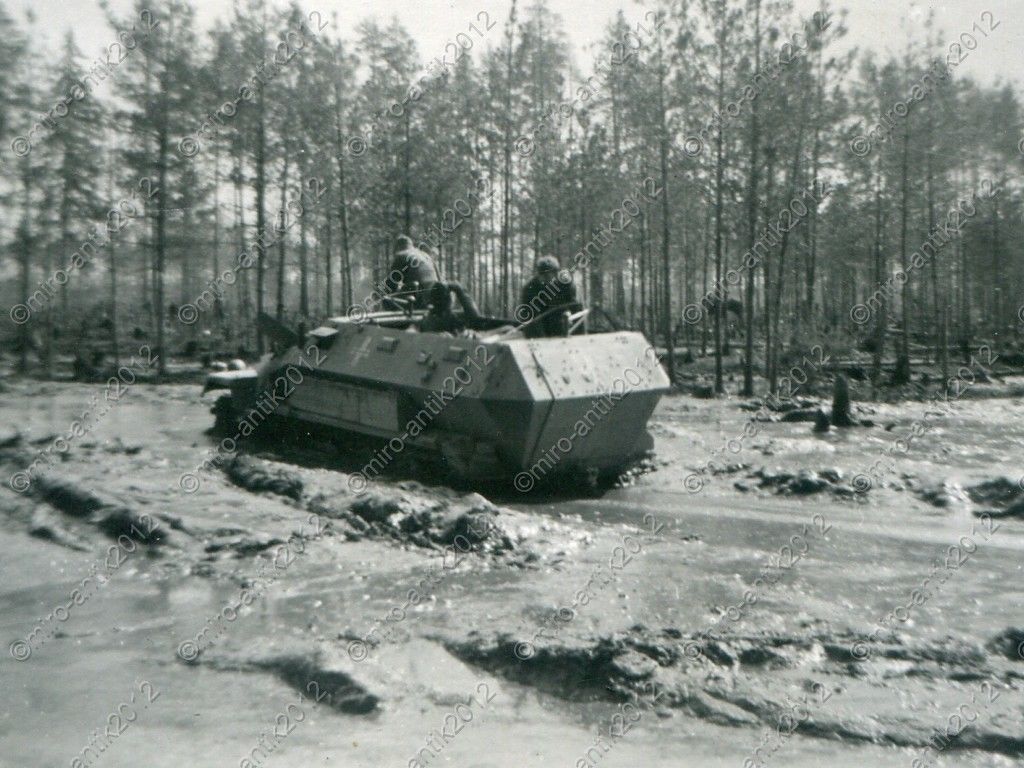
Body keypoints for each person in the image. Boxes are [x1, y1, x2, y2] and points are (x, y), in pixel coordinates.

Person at [519, 256, 579, 338]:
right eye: (543, 276)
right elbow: (529, 317)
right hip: (539, 325)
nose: (546, 280)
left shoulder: (566, 284)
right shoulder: (530, 288)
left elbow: (575, 308)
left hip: (561, 322)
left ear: (556, 274)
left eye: (549, 276)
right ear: (538, 275)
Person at [383, 235, 439, 309]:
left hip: (418, 297)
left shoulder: (401, 255)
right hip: (435, 296)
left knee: (387, 299)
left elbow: (391, 285)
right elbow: (439, 277)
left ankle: (396, 319)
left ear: (397, 247)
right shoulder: (426, 255)